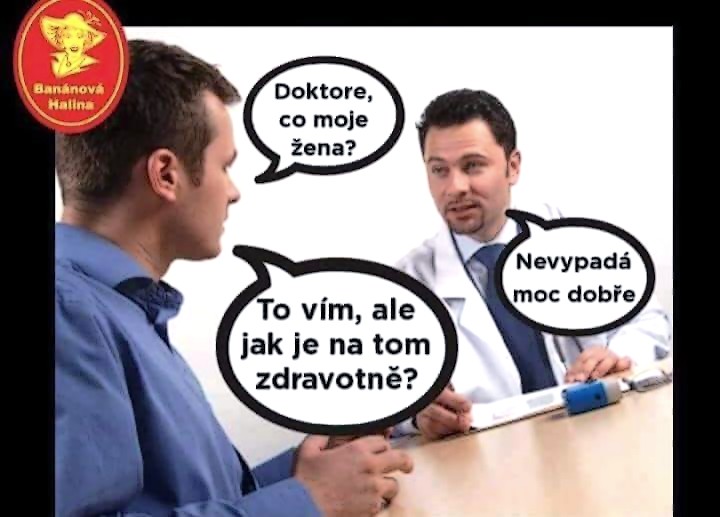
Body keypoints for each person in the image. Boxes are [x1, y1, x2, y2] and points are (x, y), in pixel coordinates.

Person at [55, 39, 413, 517]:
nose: (233, 191)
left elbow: (181, 500)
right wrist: (307, 501)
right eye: (224, 166)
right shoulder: (68, 311)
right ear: (166, 174)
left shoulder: (118, 308)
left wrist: (308, 474)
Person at [392, 89, 672, 440]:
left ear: (513, 166)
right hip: (491, 458)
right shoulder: (405, 286)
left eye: (472, 166)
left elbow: (649, 320)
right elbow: (382, 401)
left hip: (604, 435)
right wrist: (417, 417)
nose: (455, 187)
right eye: (439, 170)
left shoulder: (573, 235)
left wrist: (619, 355)